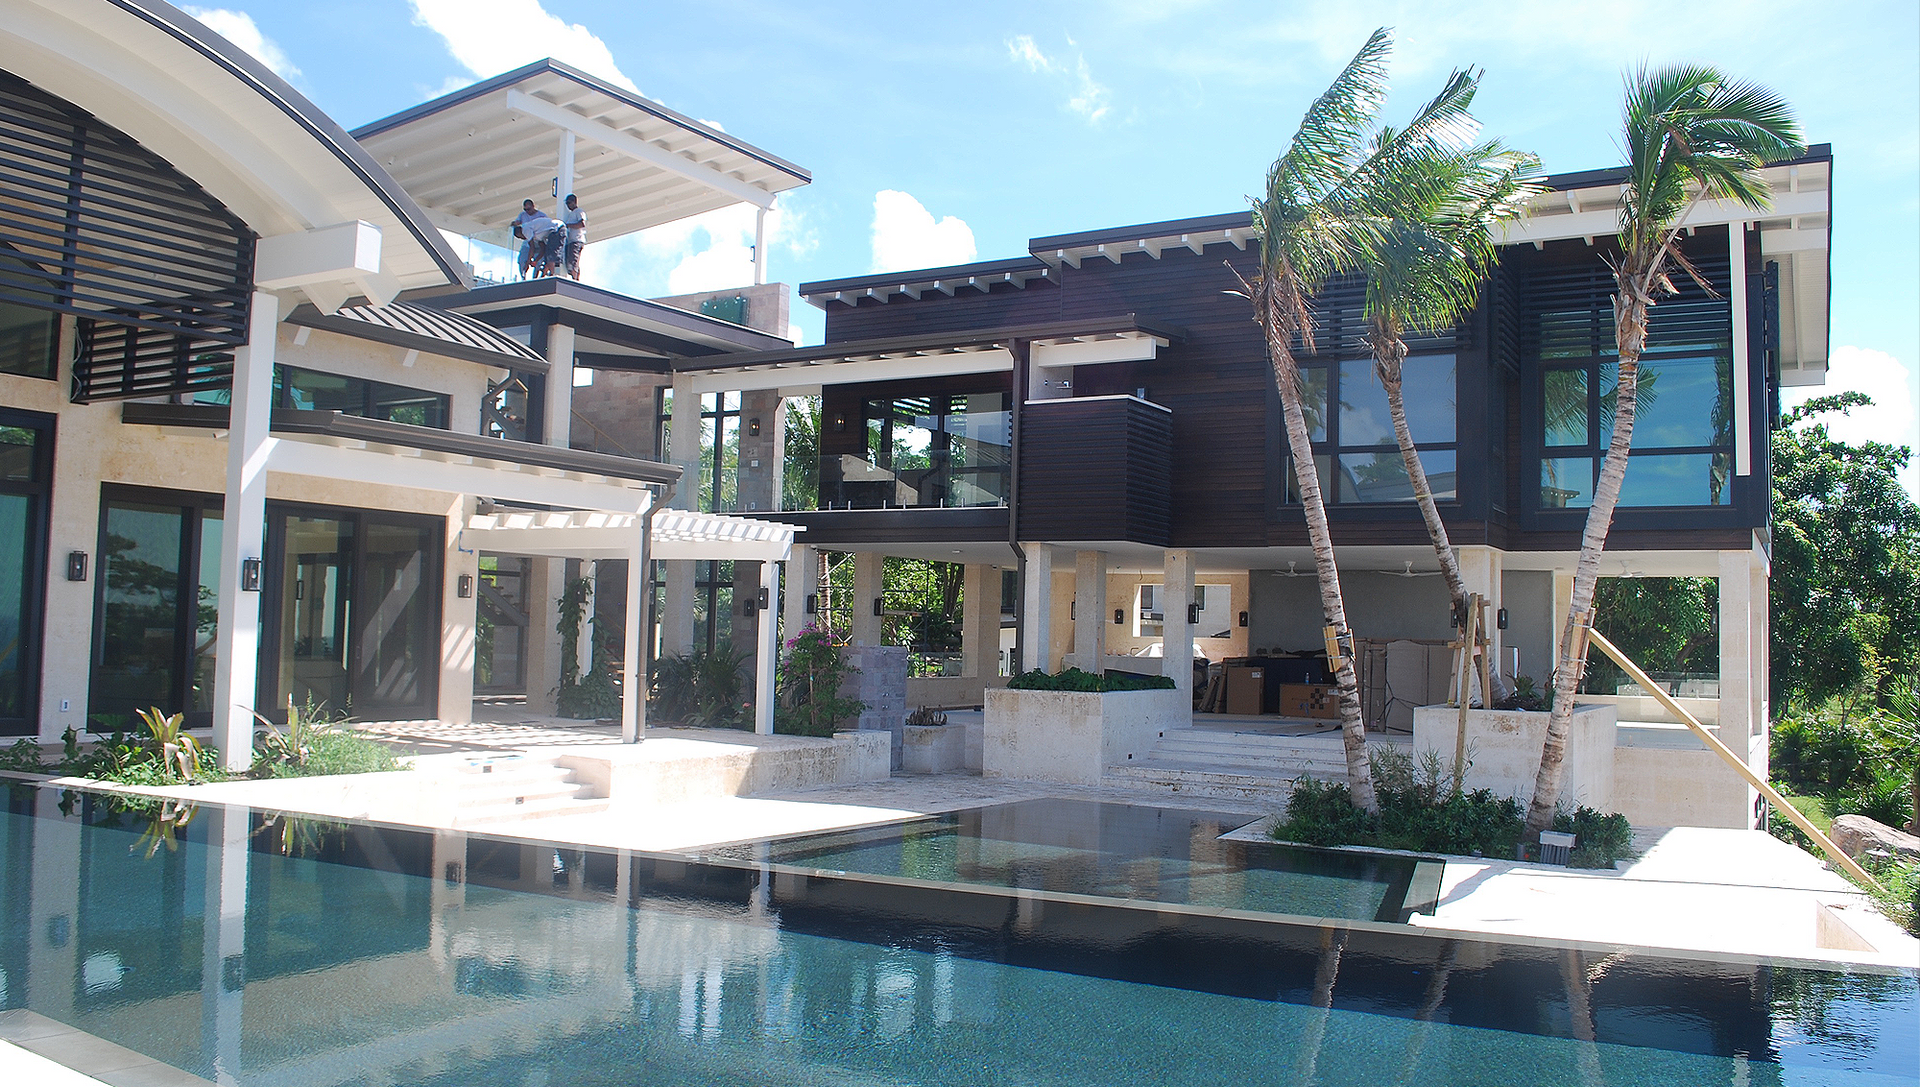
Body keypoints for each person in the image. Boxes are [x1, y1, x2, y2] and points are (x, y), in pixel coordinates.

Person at [510, 199, 560, 278]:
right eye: (525, 209)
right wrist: (514, 224)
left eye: (529, 209)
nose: (527, 211)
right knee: (522, 259)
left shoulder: (541, 215)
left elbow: (533, 247)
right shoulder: (523, 215)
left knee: (539, 260)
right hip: (528, 242)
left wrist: (531, 260)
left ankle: (536, 277)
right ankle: (523, 276)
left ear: (533, 206)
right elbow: (517, 223)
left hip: (538, 240)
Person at [561, 193, 587, 281]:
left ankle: (576, 279)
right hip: (571, 241)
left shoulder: (579, 211)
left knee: (573, 260)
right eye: (567, 203)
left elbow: (581, 224)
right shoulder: (571, 214)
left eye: (569, 203)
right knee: (569, 261)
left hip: (577, 240)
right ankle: (574, 277)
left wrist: (569, 225)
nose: (568, 205)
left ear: (574, 202)